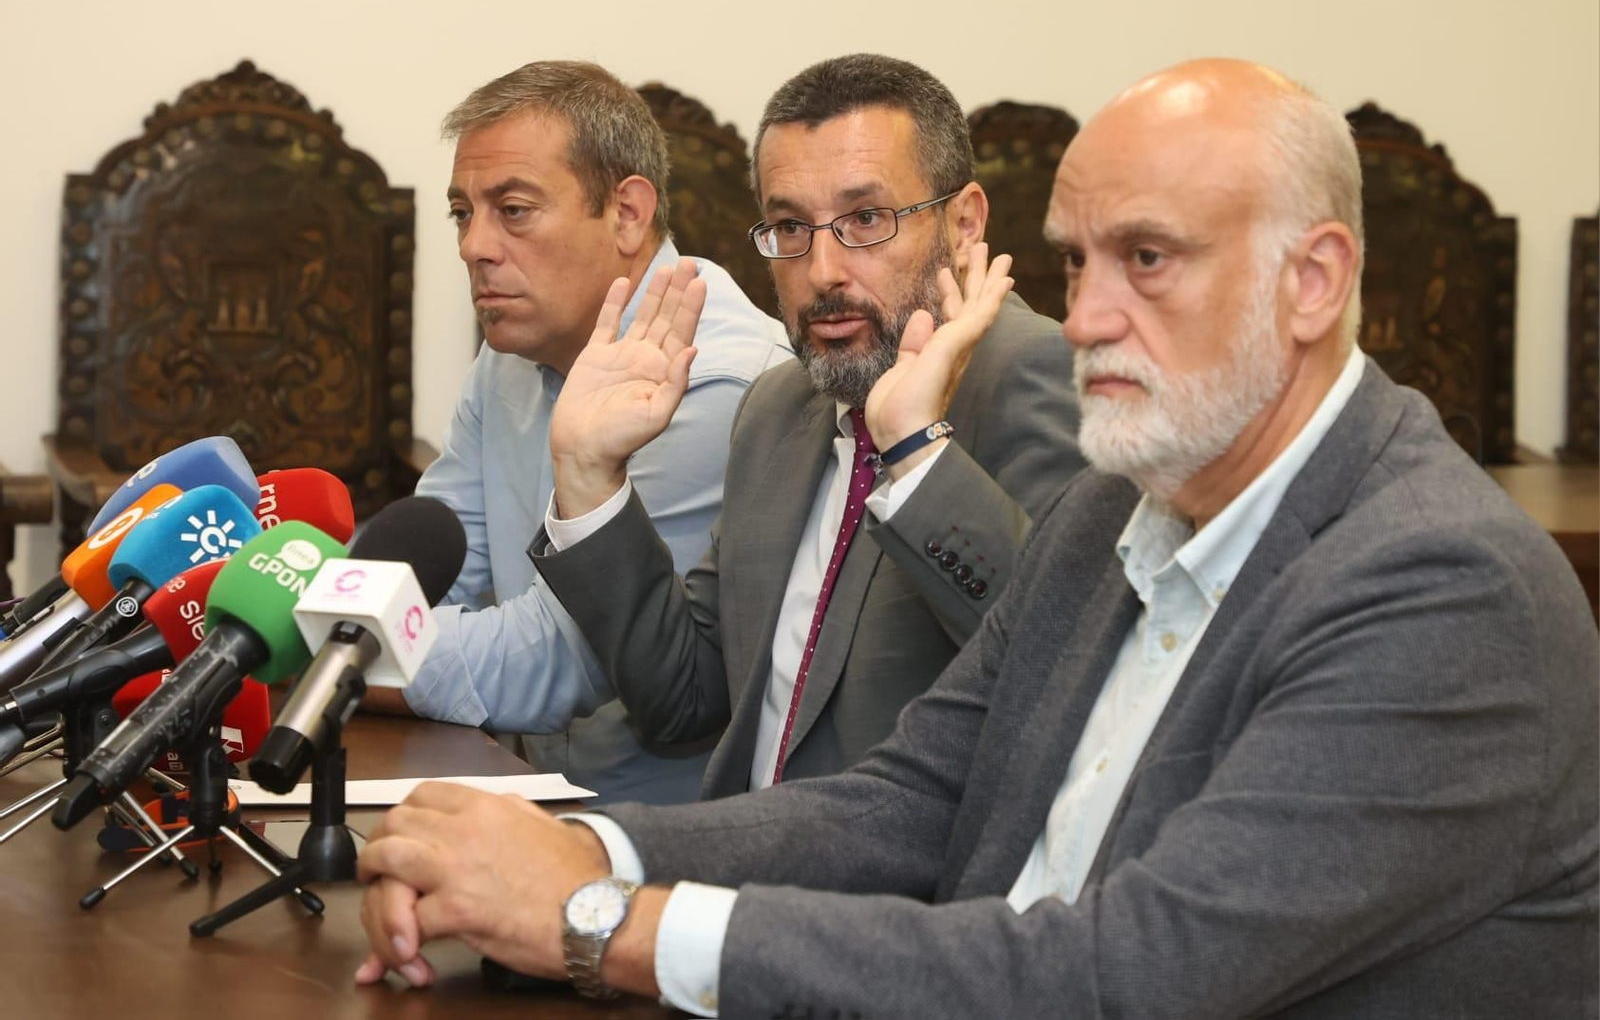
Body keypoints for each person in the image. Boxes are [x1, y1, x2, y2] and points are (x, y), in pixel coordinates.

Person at [354, 58, 1599, 1017]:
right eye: (1075, 259)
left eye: (1147, 259)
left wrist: (598, 918)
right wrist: (581, 846)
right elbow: (914, 798)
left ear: (1314, 280)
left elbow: (1127, 974)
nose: (1091, 314)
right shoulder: (1130, 501)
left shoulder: (1442, 584)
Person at [529, 53, 1082, 798]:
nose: (822, 270)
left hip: (906, 898)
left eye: (865, 219)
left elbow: (1063, 668)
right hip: (744, 861)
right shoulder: (778, 408)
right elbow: (684, 706)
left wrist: (917, 452)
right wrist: (591, 480)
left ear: (964, 223)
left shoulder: (1036, 371)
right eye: (790, 226)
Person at [367, 61, 791, 805]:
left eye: (515, 210)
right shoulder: (509, 359)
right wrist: (349, 623)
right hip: (516, 791)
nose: (474, 246)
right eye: (463, 212)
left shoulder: (716, 380)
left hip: (660, 845)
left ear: (627, 214)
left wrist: (334, 650)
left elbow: (558, 661)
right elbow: (434, 581)